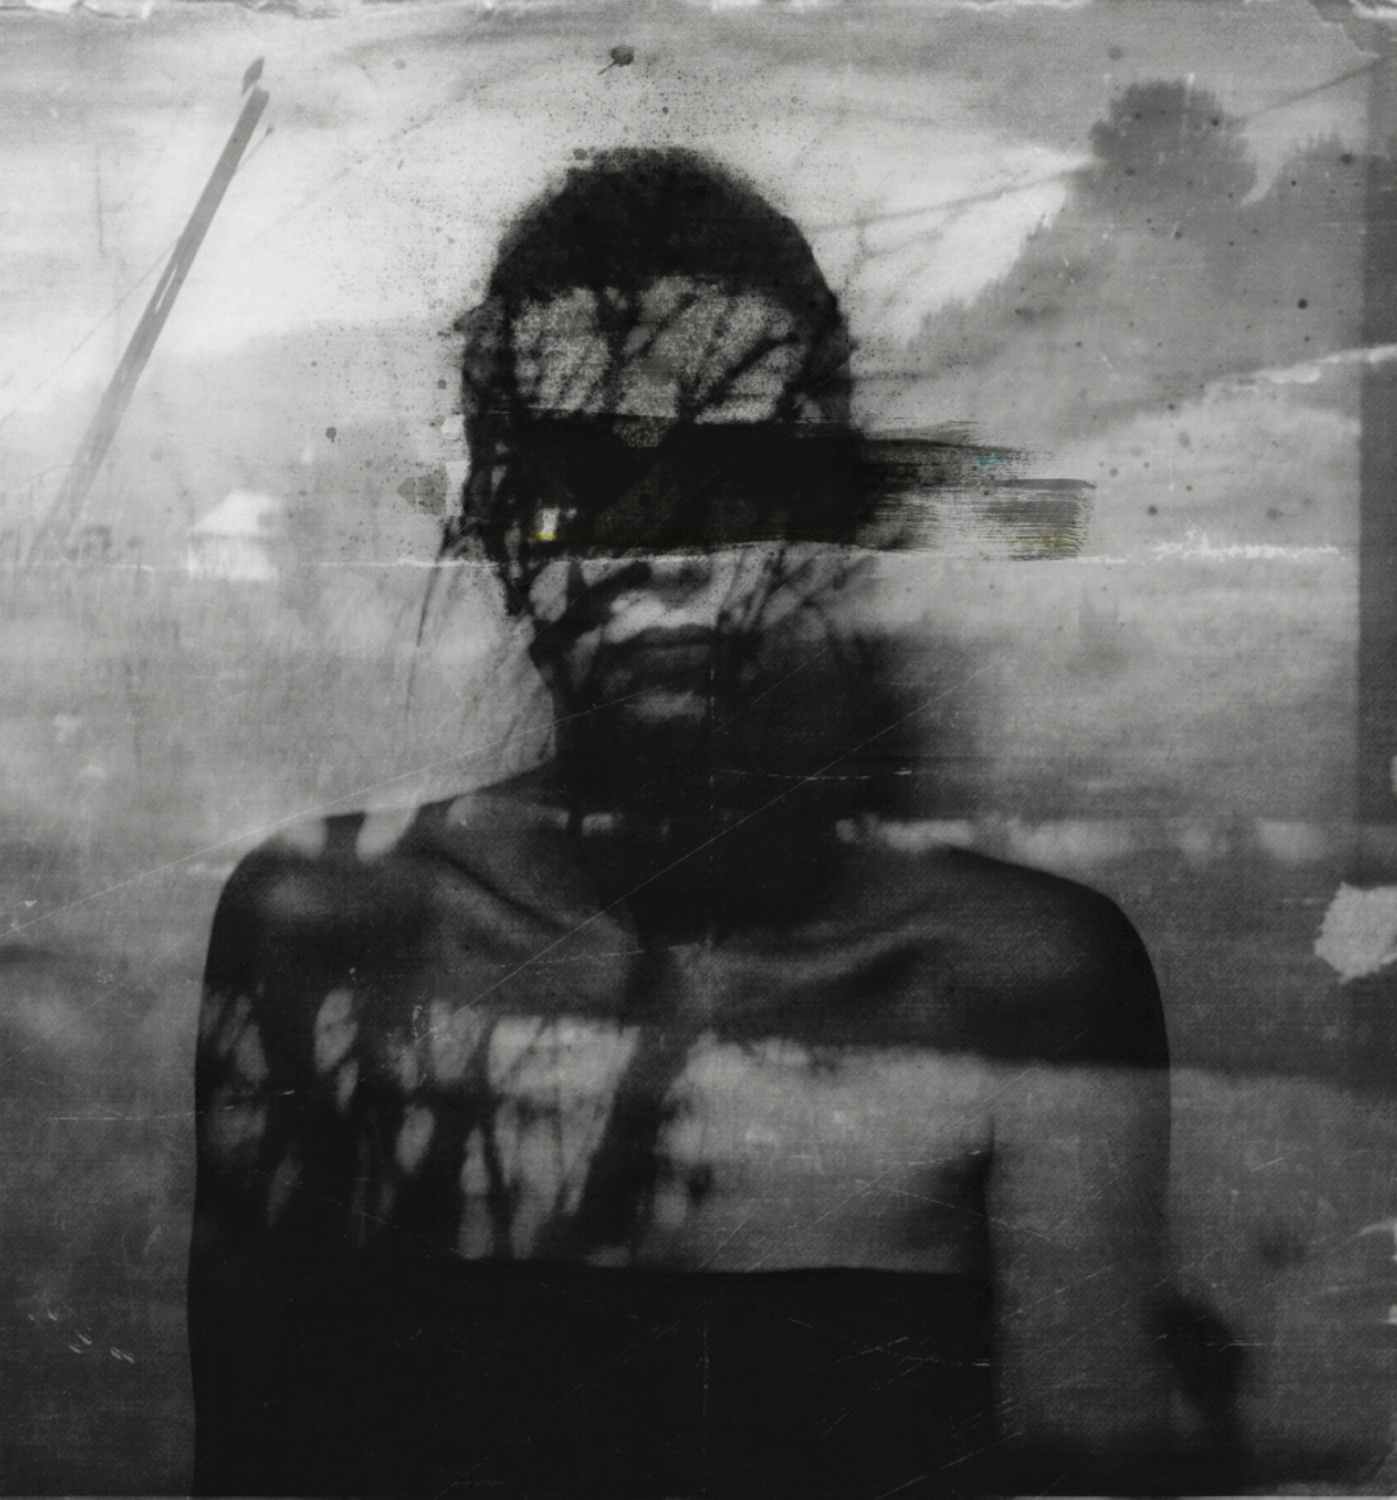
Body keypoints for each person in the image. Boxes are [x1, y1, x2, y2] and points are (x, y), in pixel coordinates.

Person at [189, 147, 1180, 1497]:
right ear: (491, 525)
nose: (655, 546)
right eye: (578, 477)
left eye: (734, 477)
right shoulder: (330, 925)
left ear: (824, 521)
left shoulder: (1021, 979)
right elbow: (259, 1458)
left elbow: (1087, 1456)